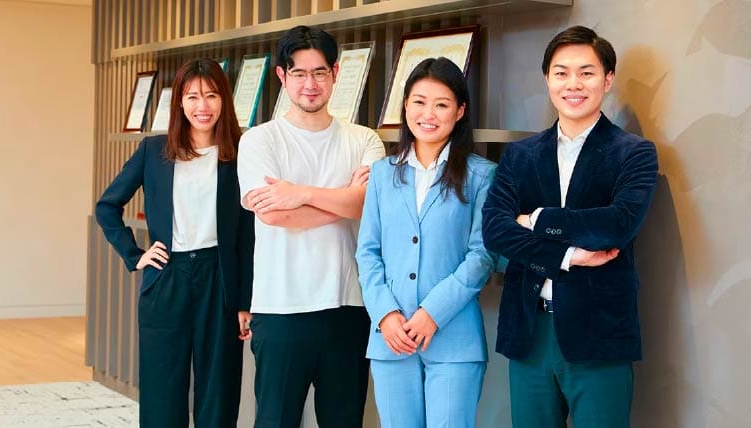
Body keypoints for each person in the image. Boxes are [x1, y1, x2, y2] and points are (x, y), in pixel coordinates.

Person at [481, 25, 659, 427]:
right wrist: (567, 256)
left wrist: (537, 219)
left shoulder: (633, 153)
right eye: (561, 73)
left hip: (599, 335)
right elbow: (495, 229)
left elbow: (617, 224)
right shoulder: (520, 155)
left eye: (586, 72)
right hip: (530, 333)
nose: (573, 84)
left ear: (607, 80)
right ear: (547, 79)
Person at [236, 25, 385, 427]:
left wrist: (299, 193)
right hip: (281, 308)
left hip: (348, 306)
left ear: (335, 73)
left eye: (319, 72)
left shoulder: (364, 139)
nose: (310, 84)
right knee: (275, 421)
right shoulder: (260, 140)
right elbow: (274, 215)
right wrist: (347, 200)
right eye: (299, 73)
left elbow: (370, 205)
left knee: (344, 421)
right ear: (282, 76)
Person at [95, 58, 254, 428]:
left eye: (211, 95)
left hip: (219, 279)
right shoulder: (154, 151)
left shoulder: (241, 152)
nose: (203, 106)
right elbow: (107, 207)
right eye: (193, 96)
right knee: (162, 389)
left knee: (219, 390)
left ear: (224, 99)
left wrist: (245, 301)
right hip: (167, 275)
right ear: (179, 102)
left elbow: (248, 235)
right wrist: (135, 255)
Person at [356, 57, 496, 428]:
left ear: (460, 111)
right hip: (391, 338)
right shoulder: (382, 174)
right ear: (405, 106)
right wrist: (385, 314)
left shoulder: (482, 175)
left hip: (455, 337)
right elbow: (367, 252)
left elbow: (482, 255)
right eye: (419, 102)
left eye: (442, 104)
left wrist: (432, 312)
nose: (428, 114)